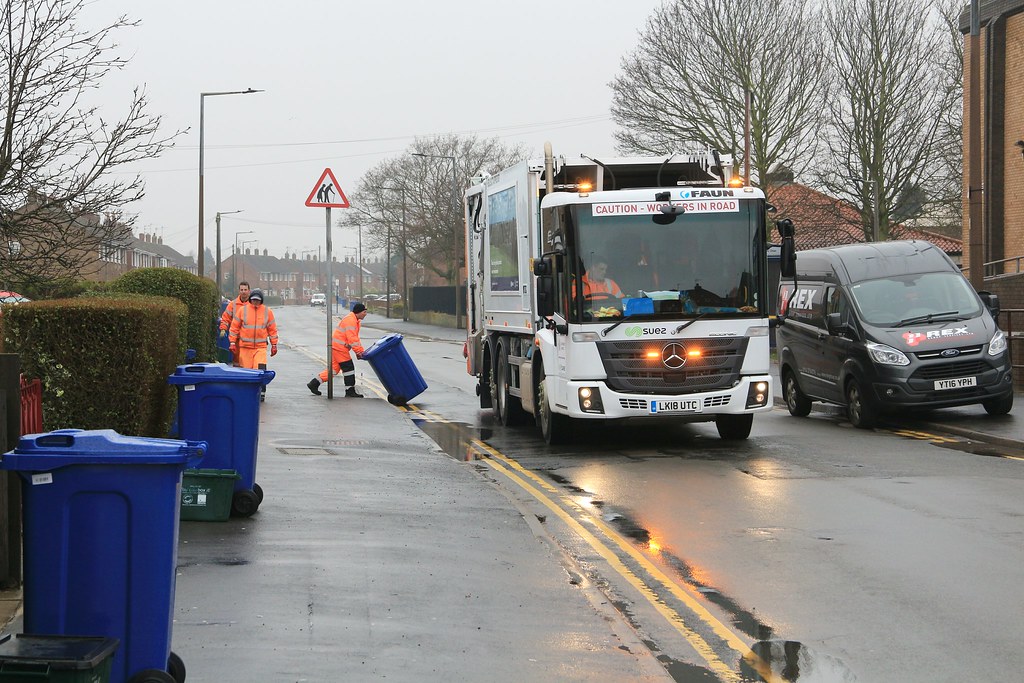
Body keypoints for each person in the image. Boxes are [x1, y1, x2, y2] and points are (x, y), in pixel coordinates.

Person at [308, 302, 368, 398]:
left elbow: (353, 338)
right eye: (364, 312)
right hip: (340, 348)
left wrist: (358, 351)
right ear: (359, 312)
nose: (366, 314)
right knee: (348, 368)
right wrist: (359, 352)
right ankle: (350, 391)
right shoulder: (351, 320)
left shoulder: (355, 320)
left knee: (334, 370)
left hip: (338, 346)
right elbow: (353, 338)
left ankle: (314, 383)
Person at [228, 289, 278, 400]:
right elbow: (234, 327)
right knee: (246, 371)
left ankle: (261, 392)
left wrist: (274, 345)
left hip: (260, 347)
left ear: (261, 300)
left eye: (258, 300)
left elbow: (272, 329)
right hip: (245, 347)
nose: (255, 302)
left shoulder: (267, 312)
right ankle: (246, 393)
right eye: (254, 300)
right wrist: (232, 342)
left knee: (260, 369)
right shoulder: (242, 310)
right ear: (251, 299)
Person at [220, 281, 250, 366]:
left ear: (249, 291)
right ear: (239, 291)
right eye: (241, 290)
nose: (243, 291)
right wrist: (223, 328)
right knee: (237, 359)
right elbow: (226, 318)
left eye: (245, 290)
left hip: (249, 338)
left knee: (247, 359)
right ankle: (238, 374)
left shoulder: (253, 304)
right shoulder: (233, 304)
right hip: (236, 337)